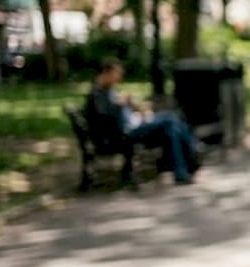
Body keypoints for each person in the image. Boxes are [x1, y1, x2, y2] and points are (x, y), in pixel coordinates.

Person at [84, 57, 201, 185]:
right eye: (117, 73)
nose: (119, 77)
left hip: (132, 124)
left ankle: (184, 167)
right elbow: (105, 117)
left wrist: (134, 108)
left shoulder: (107, 89)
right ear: (106, 73)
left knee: (171, 125)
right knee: (170, 119)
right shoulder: (97, 92)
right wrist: (121, 104)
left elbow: (116, 111)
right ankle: (192, 156)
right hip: (124, 133)